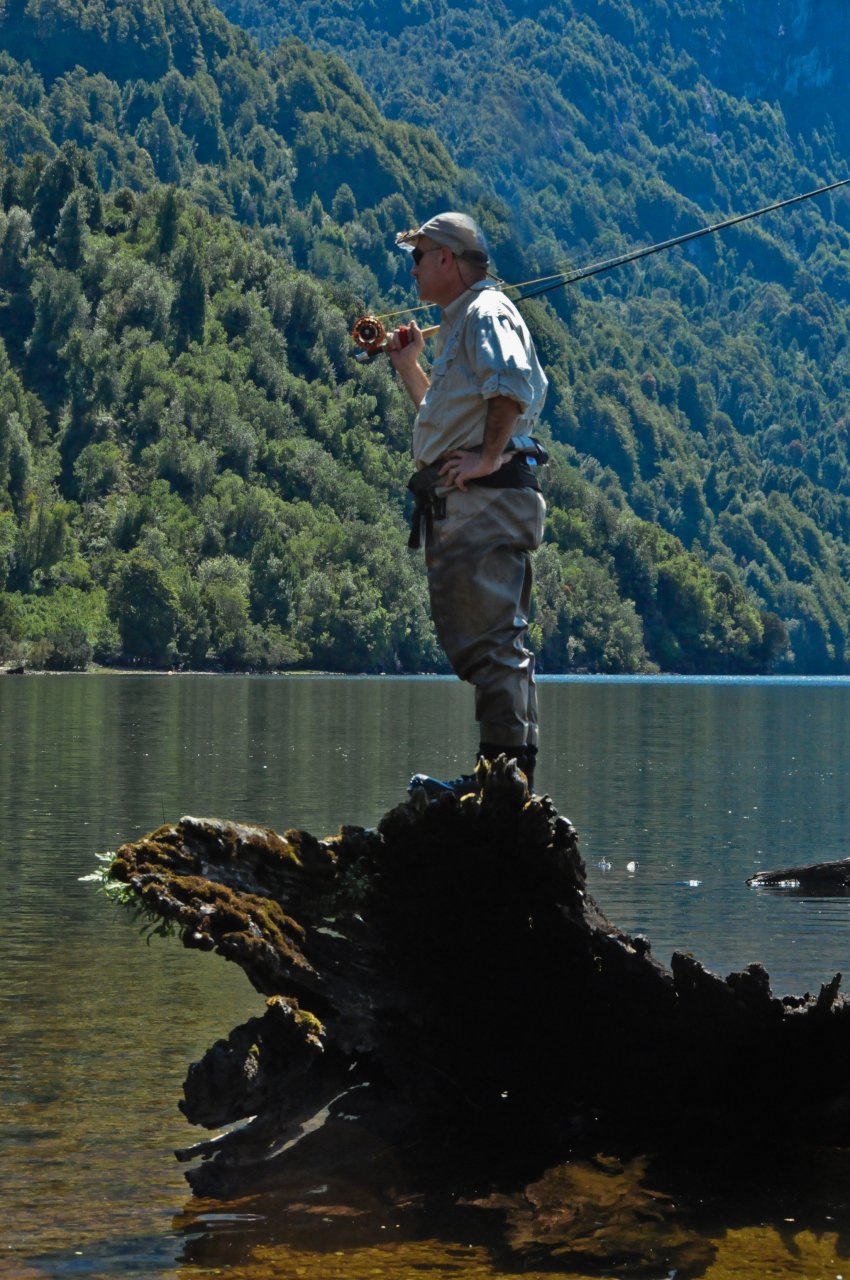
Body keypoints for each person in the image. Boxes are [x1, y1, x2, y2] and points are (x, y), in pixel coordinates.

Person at [385, 212, 548, 796]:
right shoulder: (463, 322)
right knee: (489, 642)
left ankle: (502, 786)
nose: (413, 269)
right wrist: (409, 368)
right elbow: (450, 420)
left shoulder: (486, 312)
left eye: (419, 256)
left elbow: (510, 385)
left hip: (485, 502)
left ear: (447, 260)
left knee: (494, 643)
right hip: (472, 504)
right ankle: (500, 779)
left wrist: (485, 460)